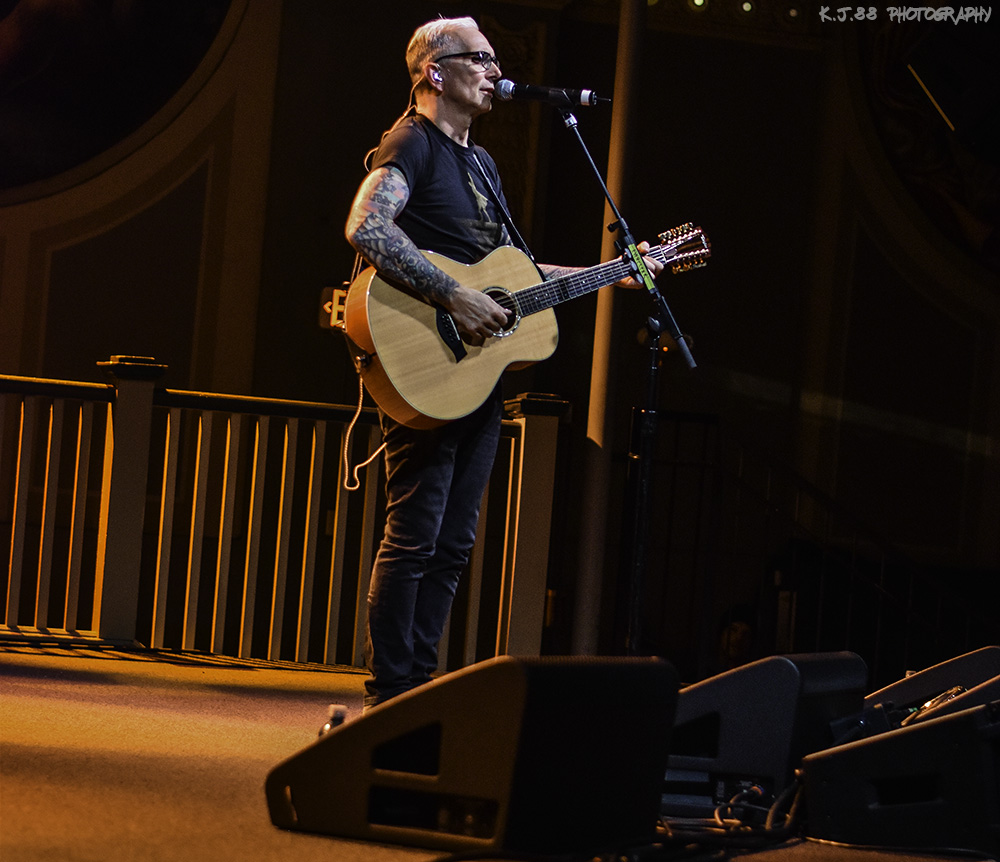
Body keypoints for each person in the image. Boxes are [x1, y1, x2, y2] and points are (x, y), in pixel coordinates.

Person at [344, 16, 663, 710]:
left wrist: (617, 272)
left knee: (453, 543)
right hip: (423, 360)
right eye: (481, 58)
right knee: (415, 536)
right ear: (435, 72)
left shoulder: (483, 165)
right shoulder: (412, 141)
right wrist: (453, 295)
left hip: (474, 376)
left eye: (495, 59)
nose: (496, 71)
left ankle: (416, 690)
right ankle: (389, 693)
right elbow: (366, 227)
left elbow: (515, 277)